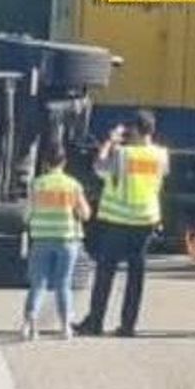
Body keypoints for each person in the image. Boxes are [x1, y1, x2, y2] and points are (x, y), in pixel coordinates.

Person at [73, 109, 170, 338]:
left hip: (118, 221)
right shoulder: (161, 155)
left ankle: (95, 322)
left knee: (105, 274)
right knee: (136, 276)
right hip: (145, 220)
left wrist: (110, 141)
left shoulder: (123, 155)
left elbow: (99, 168)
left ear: (136, 130)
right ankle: (128, 325)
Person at [21, 144, 92, 341]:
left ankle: (30, 325)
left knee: (38, 283)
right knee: (63, 284)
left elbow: (27, 215)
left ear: (44, 163)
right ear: (64, 162)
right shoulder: (73, 185)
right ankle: (65, 327)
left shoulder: (37, 184)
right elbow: (85, 214)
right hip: (67, 240)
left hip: (42, 239)